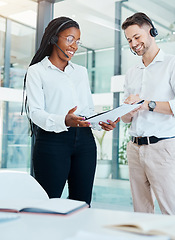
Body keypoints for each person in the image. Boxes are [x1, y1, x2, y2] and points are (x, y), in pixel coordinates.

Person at [23, 17, 119, 205]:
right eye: (70, 39)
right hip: (52, 141)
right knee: (48, 204)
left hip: (85, 141)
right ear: (53, 39)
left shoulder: (80, 72)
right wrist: (64, 120)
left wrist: (101, 122)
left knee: (82, 204)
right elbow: (35, 113)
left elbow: (87, 110)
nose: (74, 46)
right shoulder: (37, 71)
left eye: (77, 41)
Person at [120, 12, 175, 215]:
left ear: (151, 31)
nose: (133, 43)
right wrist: (127, 110)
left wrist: (146, 104)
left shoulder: (174, 64)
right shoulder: (132, 72)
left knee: (173, 213)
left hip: (162, 148)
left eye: (137, 37)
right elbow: (126, 119)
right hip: (134, 148)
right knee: (141, 214)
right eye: (129, 40)